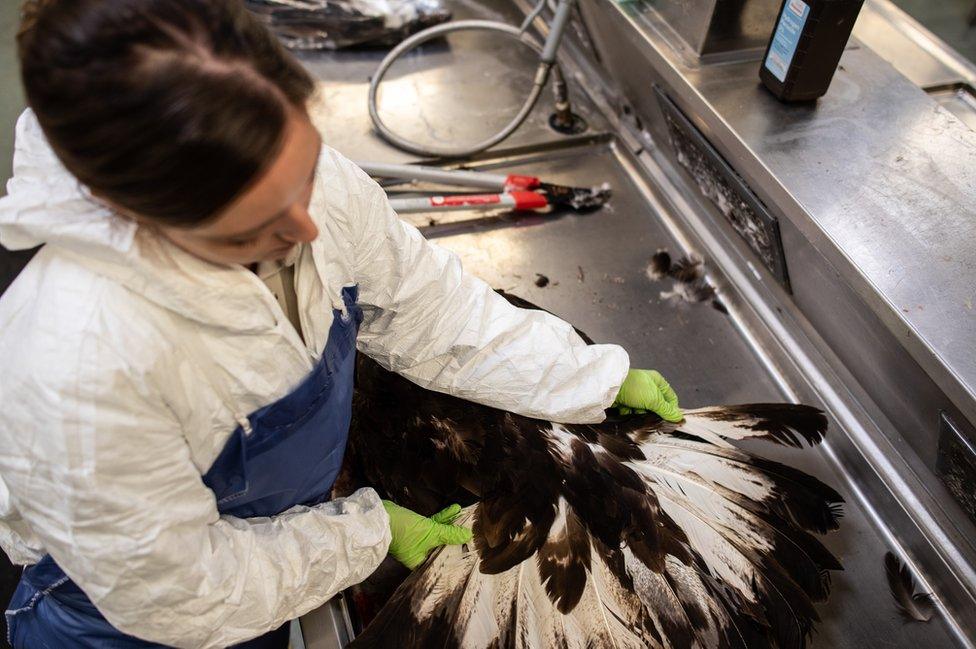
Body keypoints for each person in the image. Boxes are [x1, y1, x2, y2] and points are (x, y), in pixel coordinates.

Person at [0, 0, 682, 647]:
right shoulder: (75, 364)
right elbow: (182, 589)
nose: (307, 227)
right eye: (252, 233)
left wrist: (585, 376)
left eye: (302, 177)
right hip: (125, 625)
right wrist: (363, 535)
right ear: (133, 214)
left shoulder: (299, 182)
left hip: (269, 584)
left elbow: (430, 310)